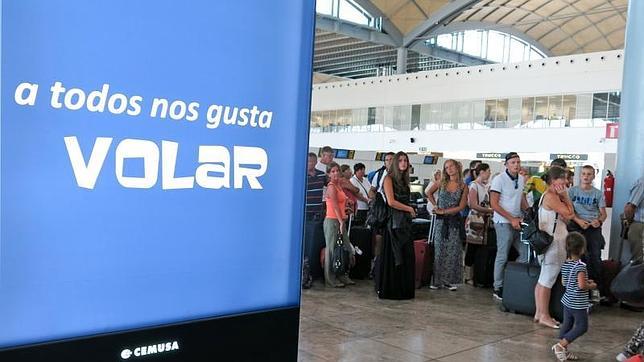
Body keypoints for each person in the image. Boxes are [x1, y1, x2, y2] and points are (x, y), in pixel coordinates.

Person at [535, 167, 575, 329]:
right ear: (553, 181)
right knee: (548, 280)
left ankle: (539, 313)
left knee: (542, 279)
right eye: (563, 179)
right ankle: (544, 315)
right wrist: (566, 196)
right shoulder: (552, 197)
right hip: (555, 243)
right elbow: (570, 214)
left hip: (549, 242)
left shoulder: (547, 195)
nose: (566, 182)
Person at [551, 232, 597, 361]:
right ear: (582, 249)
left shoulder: (566, 264)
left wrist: (581, 282)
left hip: (567, 300)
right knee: (582, 326)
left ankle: (563, 350)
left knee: (567, 324)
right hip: (578, 303)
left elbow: (564, 282)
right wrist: (591, 285)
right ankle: (560, 346)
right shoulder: (581, 267)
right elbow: (582, 286)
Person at [491, 152, 530, 300]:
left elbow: (520, 199)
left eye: (518, 162)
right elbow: (494, 203)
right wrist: (511, 218)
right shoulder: (498, 179)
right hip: (502, 222)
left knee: (526, 254)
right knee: (502, 254)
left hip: (516, 222)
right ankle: (498, 286)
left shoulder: (521, 179)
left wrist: (529, 211)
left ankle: (511, 279)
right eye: (513, 162)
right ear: (506, 164)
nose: (516, 165)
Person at [377, 151, 416, 299]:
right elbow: (391, 201)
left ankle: (404, 289)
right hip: (393, 224)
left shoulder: (404, 181)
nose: (403, 163)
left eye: (405, 160)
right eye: (400, 161)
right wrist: (409, 209)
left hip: (404, 223)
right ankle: (392, 290)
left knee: (405, 257)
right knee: (395, 257)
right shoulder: (388, 178)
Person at [427, 159, 468, 291]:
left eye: (451, 166)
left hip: (454, 221)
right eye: (447, 167)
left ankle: (449, 280)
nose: (449, 169)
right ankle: (437, 280)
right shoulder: (442, 182)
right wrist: (435, 206)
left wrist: (444, 211)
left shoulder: (463, 186)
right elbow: (428, 192)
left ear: (457, 167)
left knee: (453, 250)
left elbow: (461, 206)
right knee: (439, 249)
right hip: (440, 221)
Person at [568, 165, 607, 300]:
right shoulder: (572, 192)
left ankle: (596, 288)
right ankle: (578, 287)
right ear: (580, 176)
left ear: (593, 176)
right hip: (576, 226)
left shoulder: (598, 193)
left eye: (589, 174)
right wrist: (578, 220)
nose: (586, 176)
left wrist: (599, 221)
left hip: (593, 227)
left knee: (595, 257)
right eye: (584, 174)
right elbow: (568, 211)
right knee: (578, 257)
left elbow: (603, 214)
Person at [323, 162, 355, 288]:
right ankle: (330, 278)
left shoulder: (339, 186)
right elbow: (335, 206)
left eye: (337, 171)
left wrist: (347, 207)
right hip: (332, 221)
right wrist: (341, 222)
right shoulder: (331, 187)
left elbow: (341, 204)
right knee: (331, 250)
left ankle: (341, 274)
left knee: (344, 247)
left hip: (341, 220)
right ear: (329, 174)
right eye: (333, 171)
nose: (336, 173)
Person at [464, 163, 494, 282]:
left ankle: (477, 274)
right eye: (488, 171)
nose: (489, 173)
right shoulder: (474, 186)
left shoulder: (485, 186)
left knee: (479, 249)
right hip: (475, 219)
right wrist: (489, 210)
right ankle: (467, 275)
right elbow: (472, 204)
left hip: (484, 220)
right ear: (482, 172)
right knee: (472, 247)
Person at [368, 152, 395, 277]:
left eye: (391, 159)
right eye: (387, 159)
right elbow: (372, 190)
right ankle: (376, 266)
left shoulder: (399, 175)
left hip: (393, 211)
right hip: (380, 212)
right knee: (378, 239)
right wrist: (376, 199)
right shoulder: (379, 174)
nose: (389, 161)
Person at [303, 153, 327, 287]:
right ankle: (305, 272)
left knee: (314, 245)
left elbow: (332, 184)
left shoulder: (322, 175)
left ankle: (313, 272)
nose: (310, 164)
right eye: (308, 161)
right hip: (304, 214)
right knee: (306, 245)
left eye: (312, 161)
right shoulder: (300, 175)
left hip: (317, 214)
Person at [623, 176, 644, 262]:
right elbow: (630, 208)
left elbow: (629, 209)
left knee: (639, 262)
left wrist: (628, 221)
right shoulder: (642, 183)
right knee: (639, 262)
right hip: (640, 226)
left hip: (639, 225)